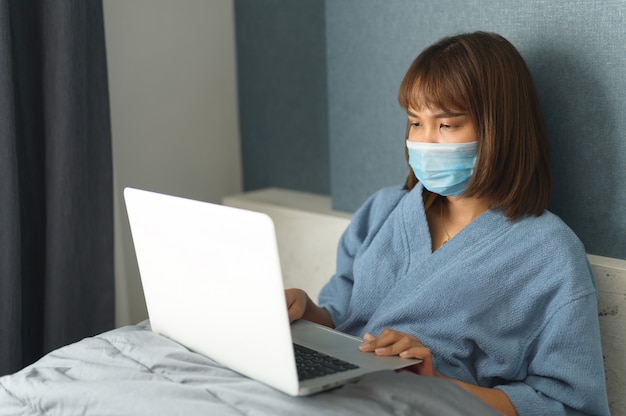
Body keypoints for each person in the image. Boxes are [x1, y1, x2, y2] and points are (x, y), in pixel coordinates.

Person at [285, 32, 609, 416]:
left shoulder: (549, 253)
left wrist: (437, 383)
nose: (424, 142)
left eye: (447, 125)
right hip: (331, 391)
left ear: (499, 128)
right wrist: (307, 311)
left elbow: (569, 404)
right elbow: (339, 319)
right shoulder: (384, 209)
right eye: (415, 123)